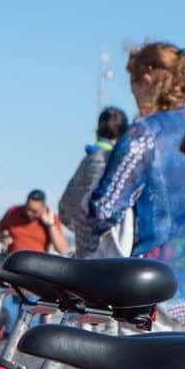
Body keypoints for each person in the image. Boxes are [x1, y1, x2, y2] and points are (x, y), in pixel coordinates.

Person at [89, 42, 185, 335]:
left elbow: (103, 211)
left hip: (159, 293)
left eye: (134, 89)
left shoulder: (146, 132)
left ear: (146, 79)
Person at [59, 107, 128, 257]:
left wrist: (82, 227)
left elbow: (64, 212)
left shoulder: (87, 162)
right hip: (111, 259)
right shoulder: (123, 165)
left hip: (84, 259)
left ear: (97, 132)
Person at [0, 189, 68, 254]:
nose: (29, 213)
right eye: (27, 208)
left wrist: (51, 225)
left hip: (36, 264)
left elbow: (62, 249)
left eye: (34, 211)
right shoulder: (13, 212)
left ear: (43, 208)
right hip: (13, 262)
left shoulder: (51, 219)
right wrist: (2, 237)